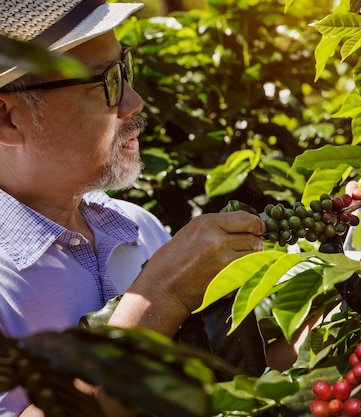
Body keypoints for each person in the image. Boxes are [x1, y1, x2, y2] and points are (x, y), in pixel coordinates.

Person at [0, 1, 269, 415]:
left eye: (123, 69)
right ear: (7, 119)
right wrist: (159, 297)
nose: (134, 102)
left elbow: (244, 378)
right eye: (105, 82)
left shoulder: (137, 228)